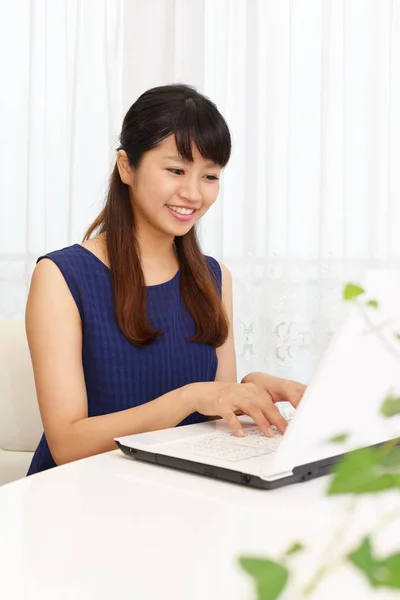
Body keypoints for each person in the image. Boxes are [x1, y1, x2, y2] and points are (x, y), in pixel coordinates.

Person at [26, 83, 306, 475]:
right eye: (176, 170)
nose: (192, 193)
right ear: (127, 167)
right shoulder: (61, 276)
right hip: (81, 496)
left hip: (180, 493)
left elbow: (214, 415)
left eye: (210, 176)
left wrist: (251, 389)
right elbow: (67, 444)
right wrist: (189, 399)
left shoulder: (214, 277)